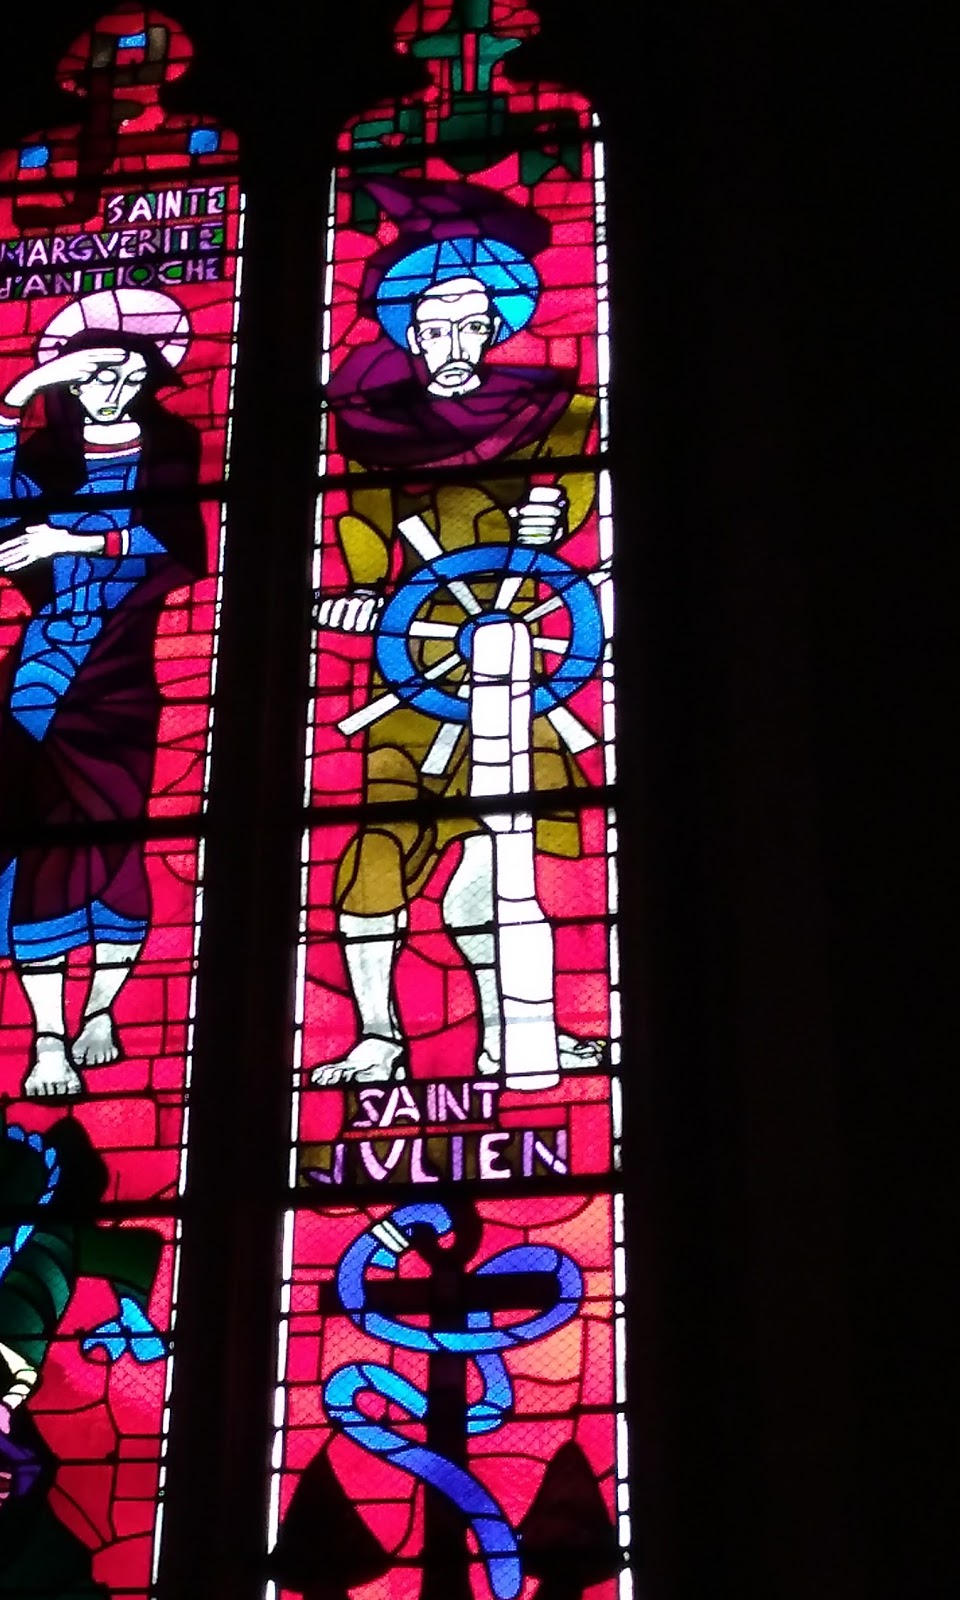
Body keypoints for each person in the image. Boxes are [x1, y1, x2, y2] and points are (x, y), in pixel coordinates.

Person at [313, 179, 604, 1088]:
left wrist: (553, 517)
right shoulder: (371, 426)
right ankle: (376, 1035)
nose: (454, 347)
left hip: (528, 672)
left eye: (472, 326)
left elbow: (568, 494)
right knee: (379, 847)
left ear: (495, 328)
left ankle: (517, 1032)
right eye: (434, 329)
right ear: (407, 332)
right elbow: (363, 523)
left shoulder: (548, 411)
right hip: (415, 674)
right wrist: (361, 593)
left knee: (501, 856)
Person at [0, 288, 205, 1098]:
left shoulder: (171, 446)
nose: (112, 387)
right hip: (41, 674)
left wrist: (72, 536)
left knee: (119, 841)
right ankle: (48, 1038)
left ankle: (101, 1011)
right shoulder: (41, 458)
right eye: (94, 372)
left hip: (123, 676)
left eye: (129, 373)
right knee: (39, 848)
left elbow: (178, 539)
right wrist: (18, 394)